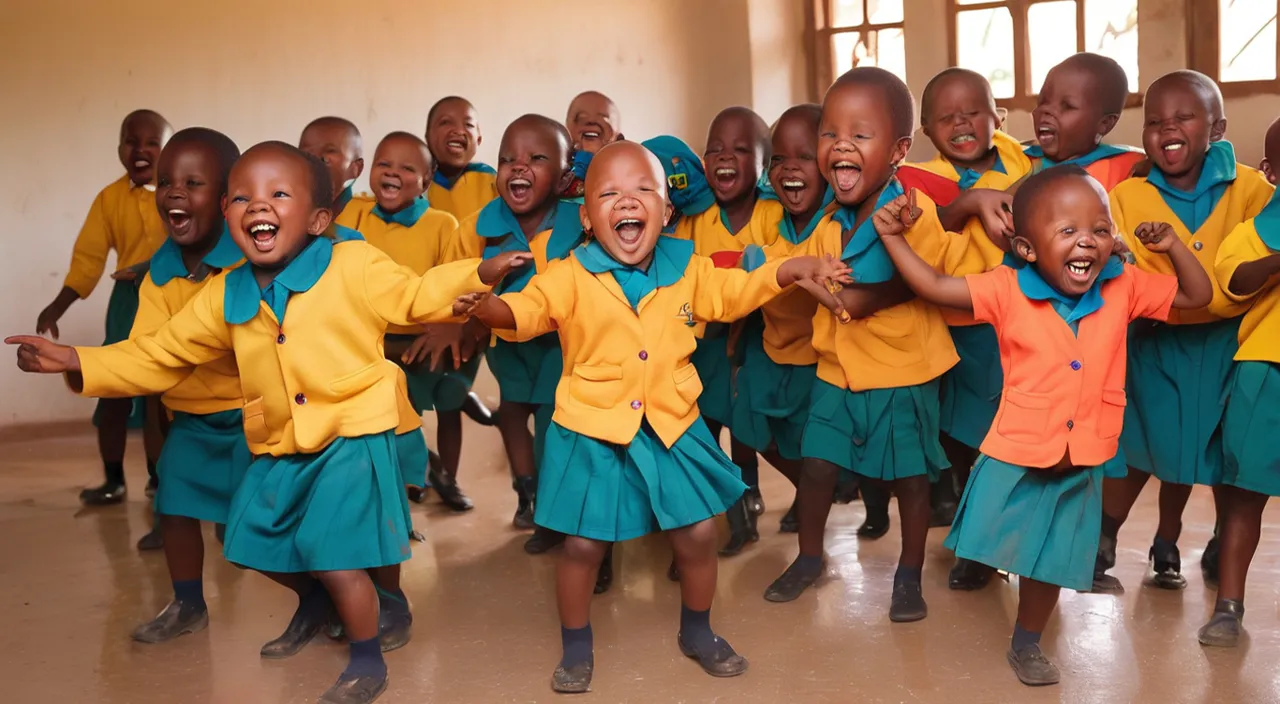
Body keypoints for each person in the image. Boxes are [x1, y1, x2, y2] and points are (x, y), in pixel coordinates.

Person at [9, 142, 524, 704]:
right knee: (250, 540)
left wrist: (480, 271)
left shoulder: (352, 263)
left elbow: (414, 296)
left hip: (354, 433)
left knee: (339, 555)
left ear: (317, 218)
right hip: (282, 440)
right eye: (243, 197)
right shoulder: (222, 294)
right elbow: (158, 353)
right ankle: (329, 601)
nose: (260, 205)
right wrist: (75, 359)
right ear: (230, 217)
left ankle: (366, 661)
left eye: (279, 194)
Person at [451, 140, 851, 694]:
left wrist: (788, 270)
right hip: (591, 427)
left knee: (697, 535)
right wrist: (485, 305)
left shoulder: (688, 265)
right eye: (609, 193)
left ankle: (698, 630)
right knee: (584, 547)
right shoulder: (567, 275)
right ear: (587, 217)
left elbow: (734, 292)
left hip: (671, 422)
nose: (627, 201)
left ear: (665, 212)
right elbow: (524, 312)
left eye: (643, 190)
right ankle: (576, 645)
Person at [876, 166, 1211, 685]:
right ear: (1029, 249)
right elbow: (936, 287)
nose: (1088, 242)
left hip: (1082, 459)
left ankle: (1026, 642)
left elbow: (1197, 297)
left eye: (1100, 229)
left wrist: (1172, 246)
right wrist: (892, 238)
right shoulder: (1007, 288)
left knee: (1050, 564)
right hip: (1016, 454)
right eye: (1068, 231)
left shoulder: (1124, 286)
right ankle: (996, 568)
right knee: (992, 540)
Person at [762, 68, 948, 627]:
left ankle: (909, 573)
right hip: (837, 371)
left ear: (898, 150)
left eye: (860, 134)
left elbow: (929, 278)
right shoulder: (824, 225)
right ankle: (811, 557)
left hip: (902, 373)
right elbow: (819, 287)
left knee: (910, 482)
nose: (841, 144)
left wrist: (861, 294)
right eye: (830, 132)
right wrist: (828, 291)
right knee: (817, 467)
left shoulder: (915, 212)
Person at [1095, 71, 1274, 593]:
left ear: (1215, 128)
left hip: (1227, 345)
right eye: (1154, 121)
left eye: (1183, 118)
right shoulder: (1127, 195)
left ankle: (1220, 539)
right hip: (1155, 343)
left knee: (1224, 451)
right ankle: (1105, 540)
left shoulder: (1251, 188)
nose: (1166, 128)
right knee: (1141, 448)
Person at [908, 68, 1036, 588]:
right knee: (958, 438)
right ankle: (975, 532)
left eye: (973, 112)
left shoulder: (1026, 164)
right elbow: (921, 233)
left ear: (998, 117)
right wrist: (968, 203)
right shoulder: (920, 180)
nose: (960, 123)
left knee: (1007, 440)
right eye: (946, 117)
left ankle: (993, 540)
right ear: (926, 131)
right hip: (951, 326)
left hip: (1017, 325)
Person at [124, 127, 247, 643]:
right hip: (193, 421)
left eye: (193, 182)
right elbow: (144, 351)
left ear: (225, 202)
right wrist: (79, 364)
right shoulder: (159, 273)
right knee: (173, 506)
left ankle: (319, 599)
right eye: (166, 182)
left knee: (280, 520)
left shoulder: (248, 263)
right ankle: (187, 603)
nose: (174, 192)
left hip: (255, 418)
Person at [336, 131, 494, 513]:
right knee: (395, 409)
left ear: (426, 182)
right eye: (384, 164)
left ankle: (449, 477)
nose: (392, 173)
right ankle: (415, 472)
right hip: (379, 340)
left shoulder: (442, 224)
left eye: (407, 168)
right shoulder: (356, 215)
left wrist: (442, 328)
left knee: (448, 401)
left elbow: (451, 281)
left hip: (430, 335)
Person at [36, 109, 172, 505]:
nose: (141, 149)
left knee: (158, 397)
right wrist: (57, 306)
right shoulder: (109, 199)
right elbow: (89, 259)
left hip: (175, 301)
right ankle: (113, 480)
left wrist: (153, 267)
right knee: (111, 390)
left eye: (153, 142)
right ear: (119, 150)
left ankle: (158, 481)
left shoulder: (179, 191)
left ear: (169, 149)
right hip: (127, 305)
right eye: (132, 141)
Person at [1197, 115, 1280, 648]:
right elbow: (1231, 281)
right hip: (1265, 372)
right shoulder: (1252, 233)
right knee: (1243, 497)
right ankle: (1228, 607)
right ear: (1271, 171)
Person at [730, 104, 831, 541]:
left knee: (818, 453)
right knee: (752, 428)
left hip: (822, 361)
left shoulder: (836, 224)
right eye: (778, 159)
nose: (789, 168)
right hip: (774, 350)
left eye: (804, 156)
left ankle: (818, 499)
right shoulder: (769, 226)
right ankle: (814, 491)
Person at [1025, 53, 1145, 191]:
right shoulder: (1020, 163)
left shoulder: (1128, 169)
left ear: (1105, 123)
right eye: (1042, 102)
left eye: (1067, 106)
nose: (1046, 110)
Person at [425, 96, 498, 220]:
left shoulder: (491, 180)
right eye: (445, 122)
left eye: (469, 125)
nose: (459, 130)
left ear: (478, 139)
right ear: (428, 136)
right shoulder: (417, 181)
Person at [299, 116, 365, 219]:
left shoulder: (366, 218)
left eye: (329, 152)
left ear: (356, 168)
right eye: (307, 153)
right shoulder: (285, 211)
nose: (315, 159)